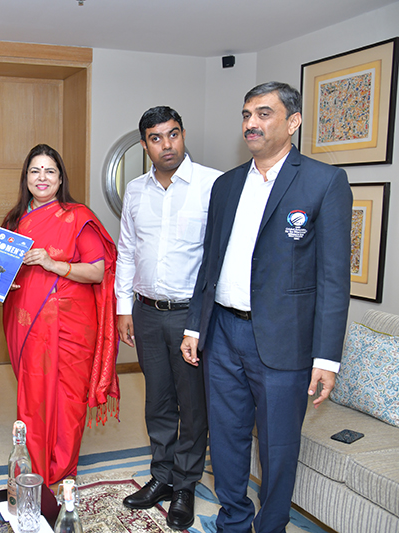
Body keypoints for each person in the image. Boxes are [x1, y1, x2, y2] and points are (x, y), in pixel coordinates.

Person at [181, 82, 352, 533]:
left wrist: (327, 357)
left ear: (293, 122)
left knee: (278, 445)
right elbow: (210, 263)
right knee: (227, 437)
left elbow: (334, 279)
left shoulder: (323, 182)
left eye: (263, 113)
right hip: (223, 334)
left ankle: (272, 524)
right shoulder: (226, 184)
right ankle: (233, 520)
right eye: (246, 115)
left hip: (283, 340)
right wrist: (196, 327)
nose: (251, 124)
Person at [115, 107, 221, 530]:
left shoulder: (211, 185)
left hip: (189, 314)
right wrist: (124, 307)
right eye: (156, 138)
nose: (167, 145)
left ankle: (185, 485)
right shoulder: (135, 190)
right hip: (145, 311)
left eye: (173, 134)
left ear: (183, 134)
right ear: (145, 145)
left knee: (191, 405)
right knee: (157, 399)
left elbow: (217, 257)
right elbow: (126, 250)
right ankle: (161, 476)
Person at [2, 144, 120, 488]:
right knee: (33, 395)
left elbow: (96, 271)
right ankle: (34, 467)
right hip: (26, 320)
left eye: (49, 171)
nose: (42, 178)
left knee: (68, 398)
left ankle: (62, 468)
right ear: (26, 178)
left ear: (60, 178)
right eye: (35, 171)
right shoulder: (13, 220)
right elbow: (1, 269)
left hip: (71, 324)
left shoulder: (78, 217)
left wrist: (52, 263)